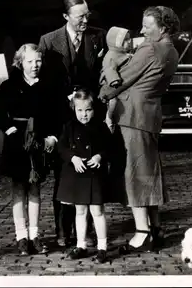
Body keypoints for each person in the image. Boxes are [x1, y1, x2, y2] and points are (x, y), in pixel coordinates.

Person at [101, 6, 180, 254]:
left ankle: (141, 232)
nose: (143, 30)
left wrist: (99, 96)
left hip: (132, 115)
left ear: (163, 28)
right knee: (149, 171)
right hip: (150, 115)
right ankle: (155, 227)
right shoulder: (172, 51)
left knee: (134, 174)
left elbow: (123, 78)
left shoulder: (149, 48)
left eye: (147, 26)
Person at [38, 0, 107, 248]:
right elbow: (43, 84)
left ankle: (86, 232)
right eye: (80, 16)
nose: (85, 20)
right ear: (66, 16)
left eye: (87, 14)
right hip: (62, 118)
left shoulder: (98, 37)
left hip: (89, 116)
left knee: (89, 171)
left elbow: (104, 73)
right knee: (64, 174)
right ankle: (62, 231)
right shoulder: (49, 41)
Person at [0, 43, 61, 256]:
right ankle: (21, 236)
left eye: (38, 61)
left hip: (39, 141)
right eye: (30, 61)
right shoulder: (8, 85)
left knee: (35, 188)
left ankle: (34, 235)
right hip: (16, 143)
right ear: (20, 63)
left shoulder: (48, 86)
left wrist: (52, 136)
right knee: (19, 189)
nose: (35, 65)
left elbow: (56, 115)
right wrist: (9, 128)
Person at [56, 88, 112, 263]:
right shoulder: (69, 127)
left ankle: (102, 247)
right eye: (79, 110)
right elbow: (62, 148)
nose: (84, 114)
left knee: (97, 211)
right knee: (79, 211)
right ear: (74, 109)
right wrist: (72, 158)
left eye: (88, 110)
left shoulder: (100, 127)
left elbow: (110, 146)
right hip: (78, 175)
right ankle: (81, 245)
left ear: (94, 109)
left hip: (94, 175)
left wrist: (99, 155)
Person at [98, 26, 134, 132]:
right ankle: (109, 117)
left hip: (121, 85)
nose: (129, 42)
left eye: (128, 39)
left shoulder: (122, 53)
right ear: (117, 42)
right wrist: (114, 80)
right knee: (113, 101)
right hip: (110, 86)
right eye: (125, 40)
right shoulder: (111, 56)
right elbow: (109, 68)